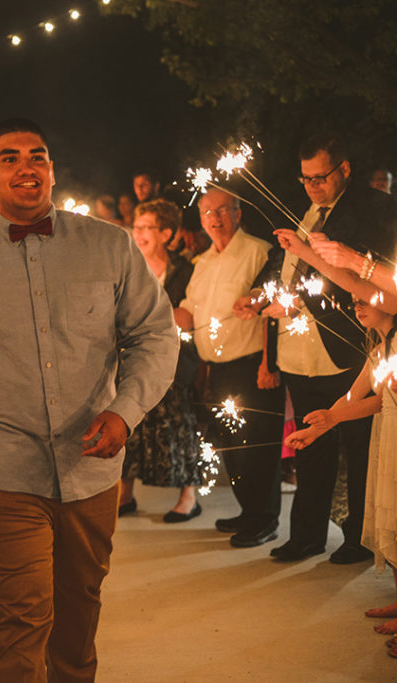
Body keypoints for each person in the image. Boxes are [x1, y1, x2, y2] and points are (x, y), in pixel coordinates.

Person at [0, 119, 178, 681]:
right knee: (20, 615)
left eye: (38, 155)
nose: (26, 166)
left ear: (51, 169)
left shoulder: (110, 245)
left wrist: (126, 411)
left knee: (79, 615)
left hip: (92, 469)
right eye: (10, 158)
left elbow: (155, 335)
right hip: (4, 472)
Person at [235, 132, 397, 563]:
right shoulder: (306, 212)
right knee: (312, 445)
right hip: (297, 350)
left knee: (365, 451)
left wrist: (308, 293)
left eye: (320, 177)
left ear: (344, 170)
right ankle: (306, 534)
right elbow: (290, 266)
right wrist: (263, 294)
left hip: (347, 345)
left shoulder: (371, 207)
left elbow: (366, 278)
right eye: (305, 179)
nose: (311, 187)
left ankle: (360, 539)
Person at [284, 296, 397, 650]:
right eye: (354, 301)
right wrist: (318, 428)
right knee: (390, 517)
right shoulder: (377, 344)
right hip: (387, 437)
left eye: (366, 300)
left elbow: (384, 400)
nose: (357, 307)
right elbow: (355, 394)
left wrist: (333, 418)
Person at [178, 188, 285, 548]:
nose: (214, 217)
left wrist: (270, 364)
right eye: (207, 211)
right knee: (231, 446)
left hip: (253, 365)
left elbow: (273, 311)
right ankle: (248, 511)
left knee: (257, 444)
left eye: (223, 210)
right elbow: (188, 311)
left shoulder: (258, 251)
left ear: (238, 214)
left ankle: (265, 518)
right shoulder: (202, 262)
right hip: (218, 368)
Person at [118, 199, 204, 522]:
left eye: (145, 228)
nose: (137, 234)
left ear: (166, 233)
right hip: (131, 357)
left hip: (174, 360)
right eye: (135, 227)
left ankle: (188, 496)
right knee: (131, 421)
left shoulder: (185, 269)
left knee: (177, 425)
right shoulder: (127, 265)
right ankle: (125, 492)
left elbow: (185, 315)